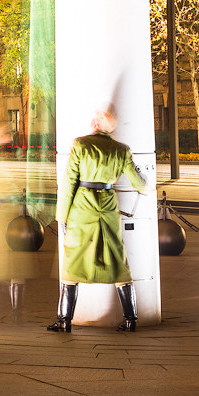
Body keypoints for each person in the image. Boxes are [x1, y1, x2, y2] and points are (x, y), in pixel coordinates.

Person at [48, 107, 147, 333]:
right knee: (118, 257)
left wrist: (61, 217)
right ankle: (130, 319)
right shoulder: (122, 150)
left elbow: (69, 183)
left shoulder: (81, 145)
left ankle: (64, 320)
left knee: (73, 261)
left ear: (96, 124)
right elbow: (140, 183)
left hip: (83, 207)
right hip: (109, 207)